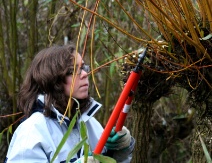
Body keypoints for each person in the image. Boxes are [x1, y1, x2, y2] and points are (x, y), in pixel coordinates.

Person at [5, 44, 135, 163]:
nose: (84, 74)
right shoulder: (32, 131)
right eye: (72, 71)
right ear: (51, 80)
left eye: (83, 67)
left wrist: (120, 151)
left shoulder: (89, 123)